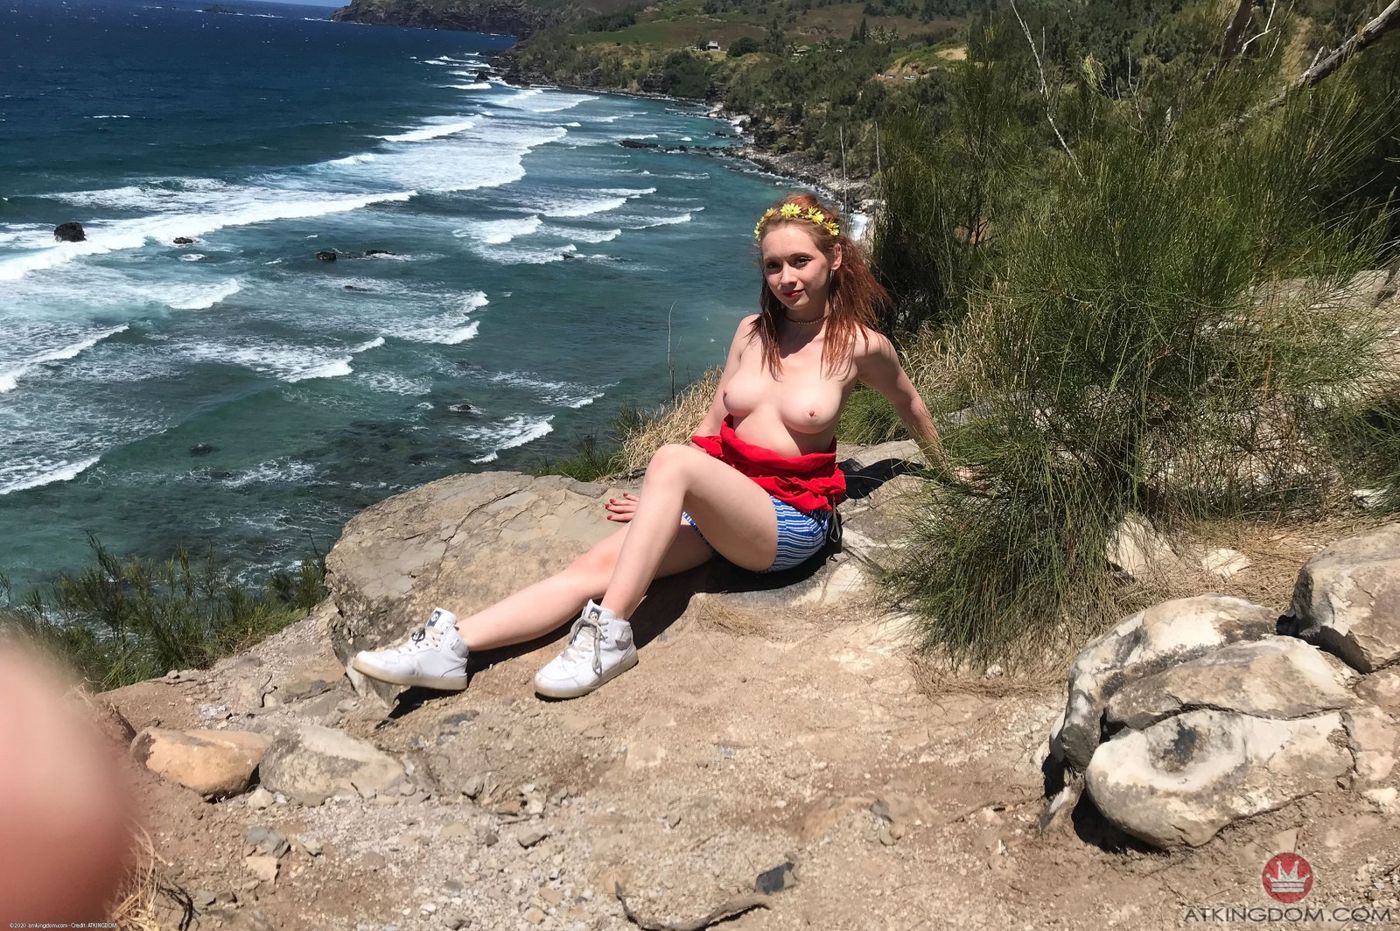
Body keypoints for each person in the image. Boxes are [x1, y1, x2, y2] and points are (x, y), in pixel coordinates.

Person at [351, 192, 949, 700]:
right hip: (726, 508)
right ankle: (452, 649)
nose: (786, 278)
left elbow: (910, 404)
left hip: (789, 523)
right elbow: (713, 423)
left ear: (834, 258)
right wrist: (668, 499)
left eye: (800, 261)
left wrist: (950, 470)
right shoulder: (751, 332)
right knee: (590, 567)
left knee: (671, 462)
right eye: (774, 266)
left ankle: (609, 637)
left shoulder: (860, 345)